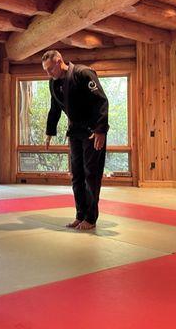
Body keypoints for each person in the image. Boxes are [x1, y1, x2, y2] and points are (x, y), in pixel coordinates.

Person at [42, 50, 109, 230]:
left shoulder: (83, 73)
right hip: (75, 132)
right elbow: (55, 109)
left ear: (59, 61)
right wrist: (50, 132)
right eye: (46, 71)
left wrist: (101, 130)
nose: (48, 73)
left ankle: (91, 218)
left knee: (91, 175)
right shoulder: (53, 84)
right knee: (77, 175)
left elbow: (101, 101)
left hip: (93, 131)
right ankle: (80, 215)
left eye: (50, 69)